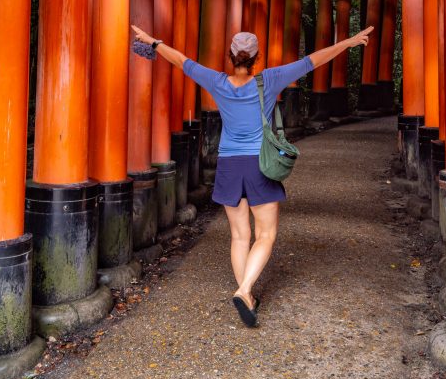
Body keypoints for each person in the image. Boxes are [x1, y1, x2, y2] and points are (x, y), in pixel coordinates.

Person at [130, 23, 373, 327]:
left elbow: (181, 60)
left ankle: (248, 296)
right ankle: (244, 289)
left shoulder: (217, 82)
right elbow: (313, 60)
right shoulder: (269, 80)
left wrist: (152, 43)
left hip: (229, 165)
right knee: (266, 234)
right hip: (260, 163)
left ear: (230, 57)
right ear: (256, 57)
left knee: (239, 235)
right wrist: (348, 43)